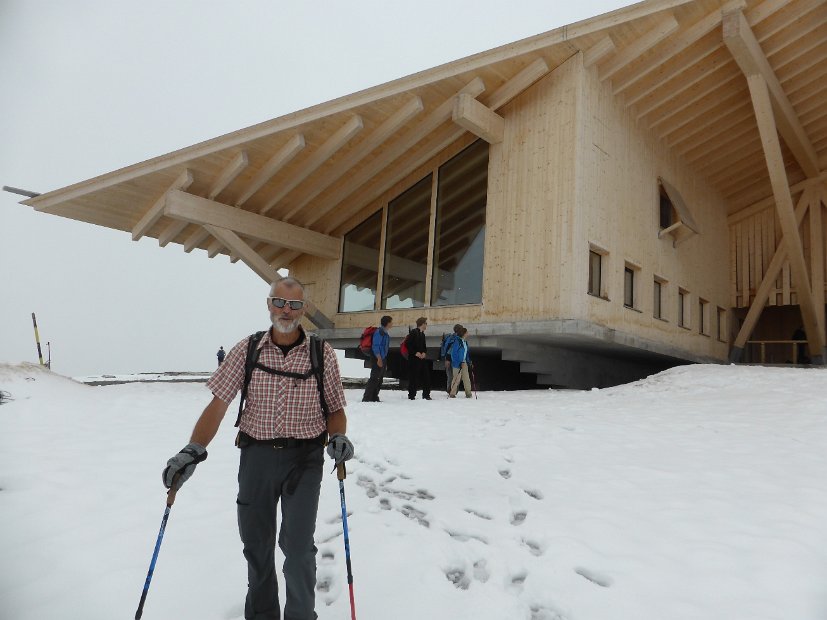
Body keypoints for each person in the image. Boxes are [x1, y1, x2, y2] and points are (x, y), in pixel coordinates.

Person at [162, 276, 353, 620]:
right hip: (256, 458)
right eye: (279, 302)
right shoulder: (247, 349)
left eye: (294, 304)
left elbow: (335, 409)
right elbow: (218, 404)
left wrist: (338, 437)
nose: (286, 310)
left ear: (304, 310)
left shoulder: (320, 354)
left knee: (297, 549)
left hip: (304, 460)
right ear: (268, 304)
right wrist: (193, 449)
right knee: (257, 547)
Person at [362, 315, 392, 402]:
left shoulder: (385, 332)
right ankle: (367, 398)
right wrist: (379, 358)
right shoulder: (380, 332)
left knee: (380, 377)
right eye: (391, 322)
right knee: (374, 377)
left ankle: (374, 396)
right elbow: (376, 346)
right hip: (377, 357)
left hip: (382, 357)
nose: (392, 324)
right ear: (387, 323)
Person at [407, 317, 431, 400]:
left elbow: (424, 347)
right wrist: (415, 353)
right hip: (414, 359)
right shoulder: (413, 332)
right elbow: (408, 345)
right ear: (422, 324)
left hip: (422, 359)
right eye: (426, 323)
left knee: (426, 376)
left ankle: (426, 395)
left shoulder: (422, 334)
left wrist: (424, 352)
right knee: (413, 377)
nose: (426, 325)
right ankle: (411, 395)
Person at [449, 327, 473, 398]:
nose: (468, 333)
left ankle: (468, 393)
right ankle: (452, 393)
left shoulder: (465, 342)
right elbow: (453, 354)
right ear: (464, 333)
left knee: (466, 378)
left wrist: (469, 362)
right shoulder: (457, 341)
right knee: (456, 378)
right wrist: (459, 362)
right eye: (467, 332)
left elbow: (466, 353)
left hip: (464, 362)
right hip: (457, 363)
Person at [441, 324, 463, 394]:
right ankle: (452, 391)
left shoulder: (450, 337)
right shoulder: (457, 338)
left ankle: (450, 390)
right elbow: (451, 350)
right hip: (453, 360)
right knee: (455, 376)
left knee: (450, 375)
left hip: (448, 359)